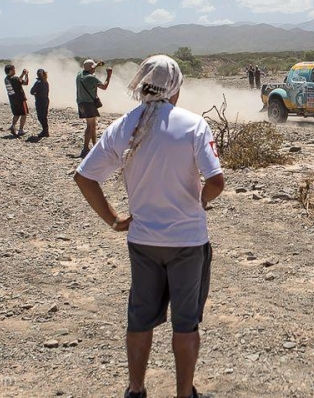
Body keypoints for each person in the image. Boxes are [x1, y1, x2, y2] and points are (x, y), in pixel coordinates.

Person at [73, 55, 224, 398]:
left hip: (142, 241)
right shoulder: (193, 125)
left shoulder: (123, 126)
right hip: (187, 242)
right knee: (186, 324)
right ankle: (184, 394)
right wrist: (199, 202)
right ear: (175, 88)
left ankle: (136, 389)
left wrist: (113, 219)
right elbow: (216, 181)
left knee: (140, 319)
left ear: (142, 84)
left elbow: (84, 177)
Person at [76, 59, 111, 157]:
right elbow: (104, 86)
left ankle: (95, 145)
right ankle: (85, 148)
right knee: (90, 125)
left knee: (92, 125)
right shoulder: (91, 78)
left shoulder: (79, 74)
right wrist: (109, 75)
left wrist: (97, 65)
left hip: (81, 102)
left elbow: (90, 69)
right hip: (88, 104)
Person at [4, 64, 29, 136]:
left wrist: (22, 74)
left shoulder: (6, 79)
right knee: (24, 114)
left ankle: (13, 126)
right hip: (20, 99)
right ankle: (21, 130)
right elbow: (25, 83)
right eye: (14, 69)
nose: (15, 70)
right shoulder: (14, 79)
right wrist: (26, 75)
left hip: (12, 99)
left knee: (16, 114)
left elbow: (18, 80)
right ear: (11, 70)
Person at [30, 68, 50, 138]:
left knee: (40, 117)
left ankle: (45, 131)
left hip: (39, 100)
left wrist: (36, 93)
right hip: (45, 100)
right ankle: (45, 131)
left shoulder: (38, 82)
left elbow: (32, 91)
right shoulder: (45, 81)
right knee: (44, 116)